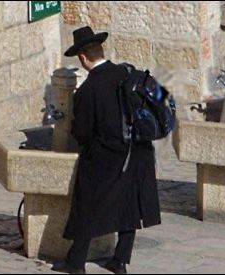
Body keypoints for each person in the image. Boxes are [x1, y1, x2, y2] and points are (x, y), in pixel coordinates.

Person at [52, 26, 161, 274]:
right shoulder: (129, 73)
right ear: (101, 50)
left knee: (86, 204)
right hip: (138, 153)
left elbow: (81, 133)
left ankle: (76, 262)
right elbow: (160, 96)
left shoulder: (88, 91)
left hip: (106, 157)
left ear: (82, 57)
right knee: (129, 205)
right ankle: (120, 260)